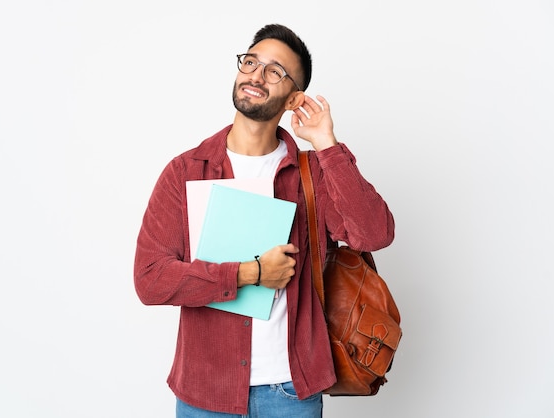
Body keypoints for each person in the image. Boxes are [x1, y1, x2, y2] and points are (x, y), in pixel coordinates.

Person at [134, 23, 395, 417]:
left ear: (294, 98)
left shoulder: (312, 174)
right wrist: (249, 273)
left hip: (291, 392)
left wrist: (326, 144)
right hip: (206, 392)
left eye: (274, 71)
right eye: (251, 62)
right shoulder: (186, 171)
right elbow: (150, 280)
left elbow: (374, 233)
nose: (256, 75)